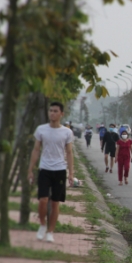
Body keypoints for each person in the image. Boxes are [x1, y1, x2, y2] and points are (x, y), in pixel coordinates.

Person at [27, 102, 74, 243]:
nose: (52, 113)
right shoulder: (41, 130)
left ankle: (50, 231)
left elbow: (70, 152)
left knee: (55, 203)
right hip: (45, 169)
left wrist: (71, 173)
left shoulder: (67, 132)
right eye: (51, 110)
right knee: (43, 200)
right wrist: (30, 170)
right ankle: (42, 225)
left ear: (61, 114)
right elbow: (36, 150)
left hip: (59, 170)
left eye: (55, 111)